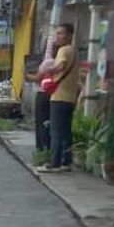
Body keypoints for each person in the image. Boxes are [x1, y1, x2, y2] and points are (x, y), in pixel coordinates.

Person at [38, 23, 80, 174]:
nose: (58, 37)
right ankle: (65, 161)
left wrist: (47, 71)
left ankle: (54, 163)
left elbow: (61, 66)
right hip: (70, 97)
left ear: (69, 35)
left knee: (55, 131)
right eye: (57, 34)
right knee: (65, 131)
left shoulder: (63, 50)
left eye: (61, 34)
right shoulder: (73, 51)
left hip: (60, 96)